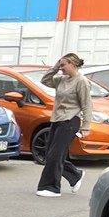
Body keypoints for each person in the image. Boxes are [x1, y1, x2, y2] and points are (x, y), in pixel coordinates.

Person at [36, 53, 93, 197]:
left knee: (55, 155)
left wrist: (86, 126)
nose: (61, 68)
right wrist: (54, 67)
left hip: (70, 121)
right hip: (57, 120)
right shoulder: (61, 79)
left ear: (73, 64)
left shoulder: (81, 82)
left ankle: (51, 187)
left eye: (63, 65)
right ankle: (75, 175)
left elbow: (87, 105)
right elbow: (45, 80)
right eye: (60, 65)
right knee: (51, 155)